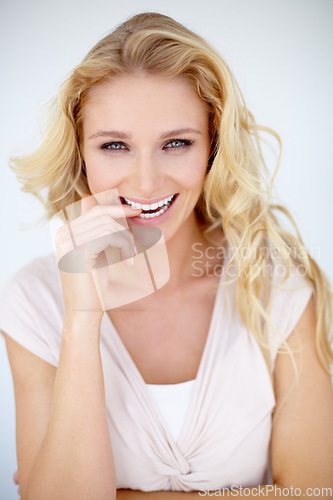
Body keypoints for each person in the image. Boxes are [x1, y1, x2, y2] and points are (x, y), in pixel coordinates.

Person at [1, 11, 333, 500]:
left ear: (213, 148)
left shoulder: (274, 282)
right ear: (80, 153)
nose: (146, 183)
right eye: (115, 145)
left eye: (176, 143)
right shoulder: (34, 300)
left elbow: (313, 492)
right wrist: (82, 317)